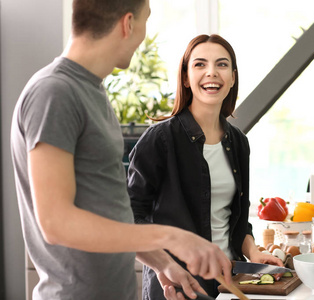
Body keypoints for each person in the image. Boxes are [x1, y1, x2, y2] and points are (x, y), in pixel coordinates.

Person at [10, 1, 232, 299]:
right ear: (128, 24)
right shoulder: (54, 93)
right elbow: (56, 223)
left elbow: (110, 214)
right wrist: (172, 237)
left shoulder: (93, 92)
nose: (143, 35)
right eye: (145, 21)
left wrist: (163, 262)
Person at [127, 34, 283, 299]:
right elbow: (129, 218)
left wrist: (254, 252)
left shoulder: (238, 141)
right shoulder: (160, 139)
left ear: (232, 77)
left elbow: (236, 218)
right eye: (200, 64)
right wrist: (166, 261)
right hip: (177, 284)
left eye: (221, 65)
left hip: (230, 282)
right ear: (186, 77)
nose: (212, 72)